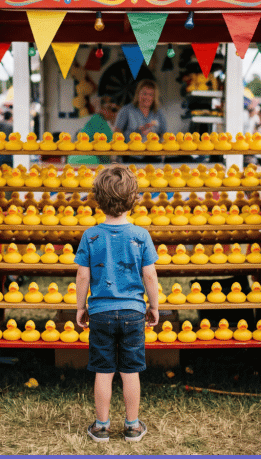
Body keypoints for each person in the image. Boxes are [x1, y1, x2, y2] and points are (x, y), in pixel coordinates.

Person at [74, 165, 159, 443]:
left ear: (98, 199)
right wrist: (154, 305)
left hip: (100, 314)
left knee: (104, 371)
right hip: (134, 312)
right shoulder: (141, 235)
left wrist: (80, 307)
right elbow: (149, 274)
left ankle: (101, 426)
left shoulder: (90, 236)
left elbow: (83, 274)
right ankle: (132, 426)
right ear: (133, 199)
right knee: (130, 371)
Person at [68, 96, 120, 165]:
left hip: (73, 158)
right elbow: (112, 148)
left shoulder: (95, 119)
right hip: (86, 160)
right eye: (113, 110)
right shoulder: (100, 123)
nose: (115, 114)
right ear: (102, 109)